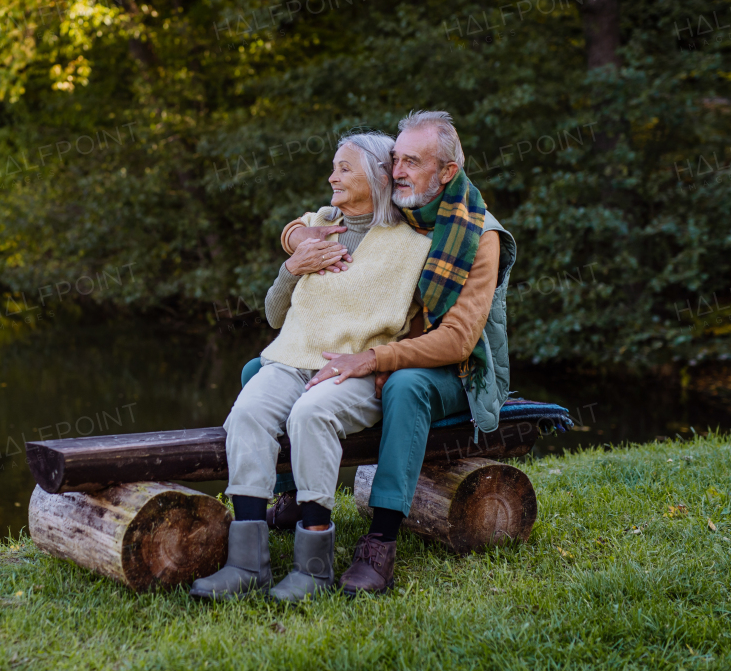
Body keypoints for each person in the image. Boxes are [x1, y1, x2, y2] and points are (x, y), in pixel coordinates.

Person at [246, 109, 517, 595]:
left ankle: (380, 542)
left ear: (446, 172)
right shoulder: (405, 208)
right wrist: (300, 236)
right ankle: (289, 495)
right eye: (396, 159)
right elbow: (328, 215)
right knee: (260, 368)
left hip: (458, 369)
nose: (397, 171)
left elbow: (457, 339)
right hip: (394, 350)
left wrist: (377, 358)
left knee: (406, 386)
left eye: (412, 162)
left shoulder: (478, 235)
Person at [189, 132, 433, 602]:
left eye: (344, 168)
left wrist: (388, 361)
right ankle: (246, 564)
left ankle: (313, 567)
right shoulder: (320, 222)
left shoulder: (412, 245)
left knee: (311, 415)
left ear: (381, 175)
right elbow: (274, 315)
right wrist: (293, 264)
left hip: (354, 369)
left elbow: (428, 320)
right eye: (333, 167)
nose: (331, 176)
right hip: (291, 359)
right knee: (248, 413)